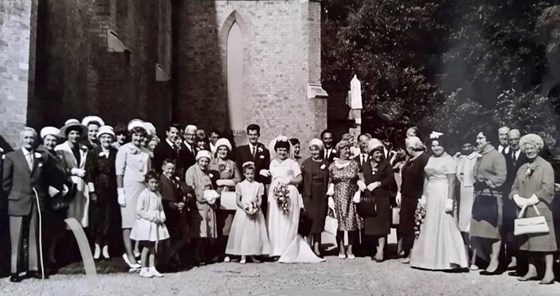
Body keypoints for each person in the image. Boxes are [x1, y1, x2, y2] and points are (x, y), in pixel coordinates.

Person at [410, 132, 468, 270]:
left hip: (443, 192)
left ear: (444, 146)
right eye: (433, 146)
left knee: (445, 223)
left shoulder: (449, 160)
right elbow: (427, 178)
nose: (436, 148)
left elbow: (452, 182)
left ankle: (450, 260)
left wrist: (449, 200)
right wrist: (424, 196)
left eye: (438, 146)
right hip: (431, 193)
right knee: (429, 223)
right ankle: (427, 260)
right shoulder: (430, 159)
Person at [2, 127, 52, 282]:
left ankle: (33, 268)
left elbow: (43, 181)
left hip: (35, 200)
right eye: (26, 138)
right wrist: (12, 195)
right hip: (17, 200)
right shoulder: (12, 157)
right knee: (16, 237)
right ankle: (15, 271)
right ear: (21, 139)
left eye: (32, 138)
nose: (29, 140)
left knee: (34, 234)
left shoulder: (40, 157)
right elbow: (5, 181)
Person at [267, 136, 323, 263]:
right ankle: (275, 249)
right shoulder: (272, 163)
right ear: (276, 150)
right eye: (280, 150)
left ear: (288, 150)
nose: (282, 152)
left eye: (284, 150)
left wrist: (289, 180)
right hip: (275, 193)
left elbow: (299, 179)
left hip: (289, 193)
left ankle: (287, 248)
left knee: (288, 220)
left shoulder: (293, 163)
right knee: (275, 220)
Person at [510, 134, 557, 284]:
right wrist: (517, 197)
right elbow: (514, 187)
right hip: (524, 210)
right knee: (528, 241)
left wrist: (533, 199)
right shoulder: (522, 168)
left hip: (540, 208)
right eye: (526, 148)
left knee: (545, 242)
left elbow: (548, 187)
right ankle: (532, 270)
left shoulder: (545, 166)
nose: (529, 151)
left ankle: (549, 273)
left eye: (532, 148)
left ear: (538, 148)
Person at [115, 119, 152, 270]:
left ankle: (137, 251)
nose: (138, 138)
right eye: (135, 136)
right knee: (128, 222)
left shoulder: (146, 152)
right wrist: (120, 191)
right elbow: (119, 172)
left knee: (140, 220)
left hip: (143, 188)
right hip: (129, 188)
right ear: (131, 136)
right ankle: (129, 254)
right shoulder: (124, 149)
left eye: (140, 136)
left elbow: (149, 173)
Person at [471, 125, 507, 275]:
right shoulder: (481, 155)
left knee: (493, 232)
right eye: (477, 138)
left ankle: (495, 262)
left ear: (489, 140)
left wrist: (486, 181)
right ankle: (489, 258)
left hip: (492, 198)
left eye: (480, 138)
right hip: (480, 197)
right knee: (479, 230)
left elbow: (501, 177)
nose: (477, 140)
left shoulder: (497, 156)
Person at [359, 139, 396, 262]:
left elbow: (391, 180)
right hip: (370, 198)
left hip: (382, 197)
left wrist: (379, 183)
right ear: (371, 154)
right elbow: (361, 176)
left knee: (382, 225)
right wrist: (360, 182)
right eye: (376, 153)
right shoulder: (366, 165)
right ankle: (375, 249)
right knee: (372, 225)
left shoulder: (386, 165)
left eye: (380, 152)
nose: (379, 155)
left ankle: (380, 250)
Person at [226, 162, 271, 263]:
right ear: (244, 174)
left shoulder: (258, 185)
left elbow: (260, 199)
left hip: (255, 211)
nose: (250, 176)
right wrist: (245, 207)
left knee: (254, 233)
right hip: (243, 212)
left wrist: (256, 207)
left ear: (254, 174)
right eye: (248, 174)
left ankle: (252, 254)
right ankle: (243, 255)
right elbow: (237, 200)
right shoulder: (240, 185)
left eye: (252, 174)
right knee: (244, 233)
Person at [85, 125, 119, 260]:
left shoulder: (115, 153)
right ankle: (97, 247)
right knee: (97, 219)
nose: (106, 140)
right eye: (104, 137)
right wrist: (92, 192)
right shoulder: (93, 153)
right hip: (98, 189)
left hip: (111, 190)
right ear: (99, 139)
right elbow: (89, 174)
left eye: (109, 137)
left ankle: (106, 247)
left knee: (109, 218)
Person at [38, 127, 68, 271]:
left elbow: (61, 173)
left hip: (57, 195)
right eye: (48, 140)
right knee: (45, 228)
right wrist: (47, 188)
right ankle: (41, 258)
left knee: (55, 228)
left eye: (53, 140)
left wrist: (63, 187)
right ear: (44, 141)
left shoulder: (56, 155)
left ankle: (51, 255)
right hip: (45, 195)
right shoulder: (40, 154)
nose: (50, 143)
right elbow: (38, 176)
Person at [130, 171, 170, 278]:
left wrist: (162, 217)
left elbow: (160, 208)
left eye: (156, 183)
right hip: (146, 223)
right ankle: (143, 268)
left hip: (155, 223)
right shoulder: (143, 195)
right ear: (147, 183)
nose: (154, 185)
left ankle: (152, 267)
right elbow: (140, 210)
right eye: (152, 182)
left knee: (153, 246)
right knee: (147, 246)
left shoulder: (158, 195)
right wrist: (152, 218)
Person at [396, 136, 429, 263]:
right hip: (407, 196)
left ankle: (413, 253)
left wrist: (423, 196)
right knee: (406, 225)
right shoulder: (411, 160)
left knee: (414, 225)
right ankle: (408, 251)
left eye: (406, 146)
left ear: (411, 147)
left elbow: (425, 179)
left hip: (417, 196)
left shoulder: (424, 159)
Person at [327, 140, 362, 259]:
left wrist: (359, 191)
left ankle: (350, 249)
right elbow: (330, 182)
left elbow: (361, 179)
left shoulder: (354, 164)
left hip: (351, 197)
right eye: (344, 149)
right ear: (339, 151)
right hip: (337, 198)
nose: (347, 151)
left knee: (351, 223)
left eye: (348, 148)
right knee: (339, 224)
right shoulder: (332, 165)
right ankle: (341, 248)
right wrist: (329, 197)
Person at [185, 150, 219, 265]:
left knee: (207, 233)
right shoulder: (192, 171)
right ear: (198, 160)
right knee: (199, 232)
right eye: (202, 161)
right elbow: (190, 188)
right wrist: (200, 198)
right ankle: (195, 256)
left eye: (206, 161)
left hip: (208, 205)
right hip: (198, 205)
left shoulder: (207, 172)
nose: (204, 163)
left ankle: (202, 255)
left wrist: (212, 197)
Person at [209, 138, 241, 262]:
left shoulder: (232, 164)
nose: (223, 151)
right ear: (217, 151)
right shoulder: (211, 162)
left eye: (225, 149)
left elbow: (238, 179)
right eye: (220, 149)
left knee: (227, 225)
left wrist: (226, 182)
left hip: (227, 197)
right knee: (216, 224)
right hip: (214, 196)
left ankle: (226, 252)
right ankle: (214, 252)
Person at [55, 119, 90, 228]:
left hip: (82, 186)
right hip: (69, 186)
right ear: (67, 135)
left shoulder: (84, 149)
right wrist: (73, 171)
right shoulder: (60, 149)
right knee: (69, 215)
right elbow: (59, 170)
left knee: (81, 215)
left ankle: (78, 242)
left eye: (77, 133)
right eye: (72, 133)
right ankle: (68, 243)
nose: (75, 136)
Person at [503, 128, 528, 273]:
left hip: (523, 196)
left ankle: (523, 264)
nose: (513, 142)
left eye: (515, 140)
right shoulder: (505, 155)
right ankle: (513, 259)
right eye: (510, 140)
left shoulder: (527, 155)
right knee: (510, 230)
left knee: (523, 229)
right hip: (508, 198)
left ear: (520, 139)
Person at [301, 139, 329, 256]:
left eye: (316, 150)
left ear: (321, 150)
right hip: (309, 195)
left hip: (321, 195)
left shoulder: (326, 163)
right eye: (312, 150)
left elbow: (329, 179)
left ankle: (317, 247)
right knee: (309, 220)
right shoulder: (305, 163)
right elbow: (302, 180)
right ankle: (308, 246)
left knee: (319, 221)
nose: (314, 152)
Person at [455, 133, 480, 269]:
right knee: (463, 226)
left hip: (474, 193)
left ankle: (475, 260)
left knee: (472, 225)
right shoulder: (459, 158)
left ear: (473, 146)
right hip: (462, 194)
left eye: (469, 145)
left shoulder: (478, 158)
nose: (466, 148)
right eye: (464, 146)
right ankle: (465, 258)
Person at [235, 124, 271, 214]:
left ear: (258, 135)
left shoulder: (265, 152)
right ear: (247, 135)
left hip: (258, 188)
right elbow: (239, 169)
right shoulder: (240, 150)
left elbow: (266, 171)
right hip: (245, 188)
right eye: (250, 134)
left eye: (255, 134)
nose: (253, 137)